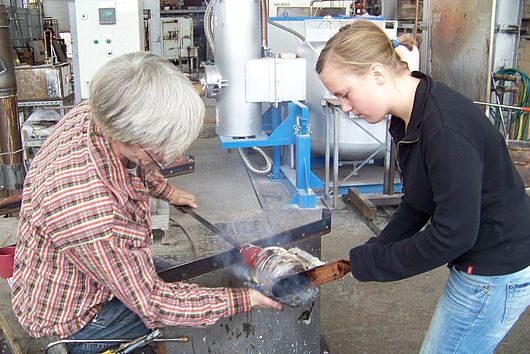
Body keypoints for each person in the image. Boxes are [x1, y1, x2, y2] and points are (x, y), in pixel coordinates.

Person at [11, 52, 282, 354]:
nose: (165, 161)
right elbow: (153, 303)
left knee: (181, 273)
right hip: (75, 318)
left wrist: (167, 191)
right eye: (160, 155)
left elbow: (133, 162)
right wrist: (243, 300)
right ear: (127, 137)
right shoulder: (93, 212)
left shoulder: (95, 114)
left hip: (82, 271)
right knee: (179, 303)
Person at [316, 20, 530, 353]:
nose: (344, 106)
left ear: (376, 74)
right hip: (482, 260)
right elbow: (419, 201)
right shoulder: (409, 117)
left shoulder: (443, 130)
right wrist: (379, 245)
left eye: (345, 93)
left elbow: (453, 233)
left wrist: (377, 263)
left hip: (495, 269)